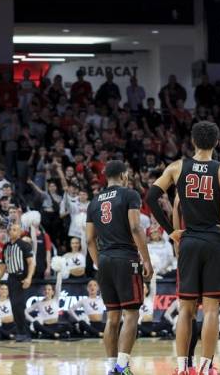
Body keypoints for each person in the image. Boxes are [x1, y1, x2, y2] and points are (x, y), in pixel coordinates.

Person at [146, 121, 220, 375]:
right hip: (215, 242)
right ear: (216, 143)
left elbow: (151, 196)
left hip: (189, 241)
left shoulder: (177, 167)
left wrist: (170, 231)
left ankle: (183, 367)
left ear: (193, 142)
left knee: (185, 309)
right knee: (212, 309)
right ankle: (206, 367)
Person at [85, 160, 153, 375]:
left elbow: (89, 240)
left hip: (104, 259)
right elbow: (135, 226)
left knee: (112, 317)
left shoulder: (94, 202)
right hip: (126, 258)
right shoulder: (129, 194)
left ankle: (112, 367)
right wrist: (147, 259)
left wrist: (98, 262)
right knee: (131, 314)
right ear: (124, 175)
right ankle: (122, 366)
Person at [0, 223, 35, 343]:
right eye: (10, 229)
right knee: (14, 306)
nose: (11, 231)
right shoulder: (6, 246)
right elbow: (3, 265)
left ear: (19, 232)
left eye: (14, 230)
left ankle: (24, 333)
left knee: (19, 305)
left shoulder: (24, 245)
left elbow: (31, 263)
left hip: (21, 278)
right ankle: (21, 332)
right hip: (11, 278)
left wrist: (29, 278)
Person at [24, 271, 71, 339]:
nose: (47, 291)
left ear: (52, 292)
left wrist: (59, 273)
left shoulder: (55, 299)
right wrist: (33, 320)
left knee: (68, 326)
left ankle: (49, 334)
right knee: (36, 324)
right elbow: (25, 312)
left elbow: (58, 285)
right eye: (45, 289)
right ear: (43, 292)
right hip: (45, 326)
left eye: (49, 289)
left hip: (56, 325)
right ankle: (56, 335)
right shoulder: (39, 303)